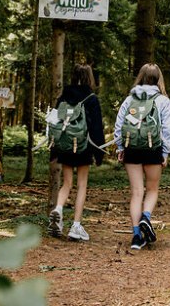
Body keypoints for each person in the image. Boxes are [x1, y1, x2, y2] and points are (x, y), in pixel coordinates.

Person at [114, 63, 170, 250]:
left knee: (136, 192)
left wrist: (120, 148)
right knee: (152, 189)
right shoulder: (163, 100)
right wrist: (165, 152)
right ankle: (146, 218)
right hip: (153, 149)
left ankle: (135, 236)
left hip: (131, 148)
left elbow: (119, 125)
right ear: (158, 79)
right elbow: (168, 128)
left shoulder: (129, 100)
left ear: (140, 77)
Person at [48, 64, 105, 241]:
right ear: (90, 78)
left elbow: (55, 122)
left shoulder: (63, 96)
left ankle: (58, 209)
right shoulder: (91, 98)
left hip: (65, 145)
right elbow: (96, 127)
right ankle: (76, 226)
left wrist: (54, 149)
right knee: (81, 184)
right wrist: (99, 152)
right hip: (83, 146)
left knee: (67, 183)